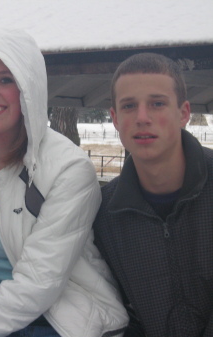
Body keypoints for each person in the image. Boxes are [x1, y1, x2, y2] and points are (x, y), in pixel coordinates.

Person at [0, 29, 128, 337]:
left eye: (5, 79)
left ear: (28, 87)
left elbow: (38, 283)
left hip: (58, 321)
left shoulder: (68, 169)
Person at [93, 52, 213, 336]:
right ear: (115, 118)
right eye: (129, 106)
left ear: (183, 113)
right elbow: (116, 311)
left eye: (157, 104)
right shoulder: (104, 216)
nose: (142, 118)